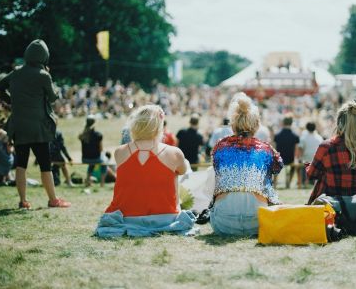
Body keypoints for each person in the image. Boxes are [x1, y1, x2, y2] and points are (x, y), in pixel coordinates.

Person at [95, 105, 196, 237]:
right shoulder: (174, 153)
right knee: (181, 166)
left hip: (127, 217)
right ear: (159, 127)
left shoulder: (120, 152)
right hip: (166, 218)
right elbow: (183, 171)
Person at [0, 39, 70, 209]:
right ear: (44, 56)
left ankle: (23, 201)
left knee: (21, 164)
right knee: (45, 163)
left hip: (19, 126)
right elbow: (53, 98)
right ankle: (53, 200)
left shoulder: (16, 72)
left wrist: (12, 101)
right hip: (39, 127)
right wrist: (49, 78)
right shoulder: (44, 75)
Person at [211, 93, 283, 236]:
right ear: (256, 126)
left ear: (232, 125)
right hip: (258, 222)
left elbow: (216, 169)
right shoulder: (267, 149)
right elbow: (278, 166)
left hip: (223, 223)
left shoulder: (219, 147)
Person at [307, 101, 356, 204]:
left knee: (324, 175)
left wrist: (309, 166)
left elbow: (311, 175)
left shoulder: (327, 147)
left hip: (334, 208)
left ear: (339, 122)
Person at [274, 114, 300, 188]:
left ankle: (275, 183)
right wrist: (296, 159)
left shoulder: (277, 135)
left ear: (283, 123)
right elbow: (296, 150)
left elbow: (274, 149)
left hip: (279, 159)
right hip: (290, 159)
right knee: (294, 166)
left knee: (276, 164)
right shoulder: (295, 136)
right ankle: (289, 183)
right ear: (291, 123)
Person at [78, 116, 105, 187]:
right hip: (95, 159)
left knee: (92, 163)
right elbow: (101, 149)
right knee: (104, 163)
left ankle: (88, 181)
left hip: (84, 159)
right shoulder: (98, 135)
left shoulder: (82, 135)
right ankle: (102, 183)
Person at [298, 122, 323, 188]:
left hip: (306, 159)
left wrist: (299, 158)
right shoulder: (319, 137)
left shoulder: (303, 137)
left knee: (302, 163)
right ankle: (312, 182)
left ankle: (304, 182)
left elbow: (300, 149)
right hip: (316, 159)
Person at [0, 120, 14, 185]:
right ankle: (7, 179)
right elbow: (9, 150)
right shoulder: (7, 134)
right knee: (11, 159)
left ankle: (2, 179)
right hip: (3, 159)